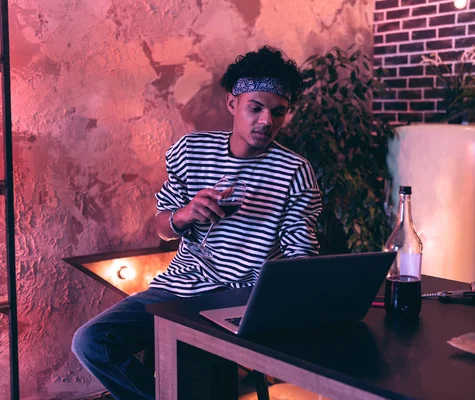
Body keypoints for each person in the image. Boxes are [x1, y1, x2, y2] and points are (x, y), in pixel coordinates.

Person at [72, 45, 322, 400]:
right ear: (232, 103)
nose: (267, 121)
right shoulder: (190, 151)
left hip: (244, 298)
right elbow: (162, 228)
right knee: (91, 341)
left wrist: (276, 298)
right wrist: (184, 215)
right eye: (256, 107)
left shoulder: (295, 171)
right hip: (179, 287)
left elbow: (301, 257)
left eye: (278, 112)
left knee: (198, 375)